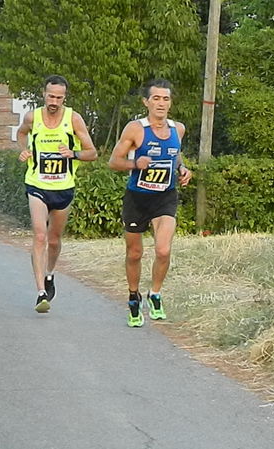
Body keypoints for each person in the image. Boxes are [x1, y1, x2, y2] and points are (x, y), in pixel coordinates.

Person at [108, 78, 192, 327]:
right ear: (146, 102)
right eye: (156, 98)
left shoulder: (178, 129)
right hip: (137, 199)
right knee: (135, 254)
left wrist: (183, 169)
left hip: (165, 197)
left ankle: (155, 294)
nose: (161, 103)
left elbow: (174, 155)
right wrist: (135, 164)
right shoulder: (135, 129)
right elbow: (113, 161)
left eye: (165, 99)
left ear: (170, 102)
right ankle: (134, 297)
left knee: (163, 250)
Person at [17, 75, 98, 313]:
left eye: (59, 97)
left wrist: (72, 154)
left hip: (63, 187)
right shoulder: (33, 117)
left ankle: (50, 274)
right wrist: (24, 151)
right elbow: (21, 134)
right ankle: (41, 292)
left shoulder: (73, 119)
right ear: (43, 94)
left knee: (54, 239)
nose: (54, 101)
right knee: (40, 236)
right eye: (51, 96)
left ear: (65, 97)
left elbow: (92, 152)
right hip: (37, 185)